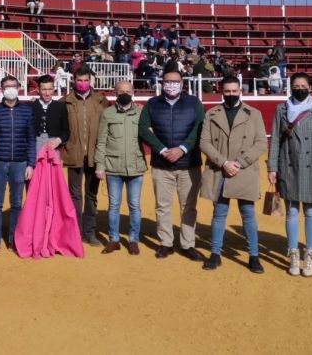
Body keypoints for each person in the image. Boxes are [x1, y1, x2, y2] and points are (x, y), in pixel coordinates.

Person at [199, 76, 267, 273]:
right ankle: (215, 254)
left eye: (234, 91)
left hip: (243, 170)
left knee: (248, 215)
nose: (230, 95)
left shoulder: (254, 114)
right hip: (221, 170)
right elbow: (204, 142)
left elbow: (261, 143)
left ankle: (254, 256)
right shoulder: (212, 113)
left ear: (240, 91)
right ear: (222, 92)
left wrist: (239, 162)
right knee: (219, 214)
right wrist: (224, 162)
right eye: (227, 91)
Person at [268, 72, 312, 277]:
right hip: (289, 166)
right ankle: (293, 254)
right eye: (296, 85)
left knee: (311, 212)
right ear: (290, 87)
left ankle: (310, 254)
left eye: (303, 85)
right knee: (292, 212)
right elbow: (276, 140)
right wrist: (272, 168)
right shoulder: (281, 109)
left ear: (310, 87)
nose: (300, 88)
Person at [138, 67, 205, 261]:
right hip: (161, 163)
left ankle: (188, 244)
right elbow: (143, 129)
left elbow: (199, 128)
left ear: (182, 84)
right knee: (163, 206)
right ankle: (166, 243)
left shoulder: (194, 103)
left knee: (189, 206)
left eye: (176, 81)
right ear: (162, 83)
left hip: (189, 163)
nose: (172, 85)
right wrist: (161, 149)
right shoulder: (152, 104)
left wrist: (182, 148)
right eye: (168, 81)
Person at [0, 76, 36, 254]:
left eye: (13, 86)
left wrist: (31, 164)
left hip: (20, 163)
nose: (10, 89)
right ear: (1, 89)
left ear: (19, 88)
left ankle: (14, 240)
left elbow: (31, 140)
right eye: (7, 86)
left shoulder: (27, 111)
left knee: (16, 203)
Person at [94, 81, 145, 255]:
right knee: (114, 205)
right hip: (113, 166)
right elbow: (101, 141)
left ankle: (133, 240)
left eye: (127, 91)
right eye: (121, 91)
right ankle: (114, 239)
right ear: (115, 94)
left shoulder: (141, 113)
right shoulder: (107, 114)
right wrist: (100, 165)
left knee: (134, 205)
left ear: (132, 92)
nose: (124, 93)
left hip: (135, 166)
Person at [61, 68, 109, 246]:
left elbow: (111, 119)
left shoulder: (101, 101)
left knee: (91, 194)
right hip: (74, 153)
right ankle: (75, 231)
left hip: (94, 154)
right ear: (74, 80)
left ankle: (89, 232)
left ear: (91, 81)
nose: (82, 83)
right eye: (79, 80)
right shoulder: (65, 101)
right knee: (74, 195)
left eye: (86, 80)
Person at [31, 75, 69, 155]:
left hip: (54, 147)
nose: (47, 93)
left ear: (53, 89)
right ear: (38, 90)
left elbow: (66, 131)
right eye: (44, 89)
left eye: (50, 89)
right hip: (34, 147)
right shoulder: (30, 106)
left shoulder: (60, 107)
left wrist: (58, 140)